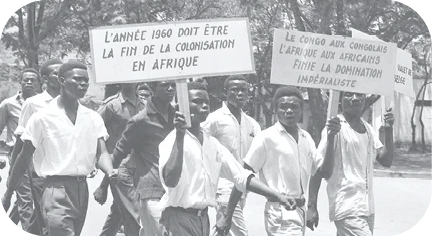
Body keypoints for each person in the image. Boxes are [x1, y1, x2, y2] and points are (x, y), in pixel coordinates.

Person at [158, 82, 298, 236]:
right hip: (177, 220)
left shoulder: (211, 143)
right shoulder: (172, 141)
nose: (204, 106)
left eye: (206, 102)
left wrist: (277, 195)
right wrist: (179, 136)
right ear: (182, 107)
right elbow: (170, 180)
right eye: (197, 102)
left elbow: (240, 175)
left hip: (202, 219)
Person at [5, 61, 118, 236]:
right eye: (78, 79)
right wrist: (9, 191)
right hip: (55, 190)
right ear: (62, 80)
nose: (83, 84)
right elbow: (23, 157)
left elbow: (101, 152)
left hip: (81, 191)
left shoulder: (93, 118)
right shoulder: (42, 118)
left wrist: (110, 171)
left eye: (86, 81)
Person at [215, 86, 341, 236]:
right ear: (275, 110)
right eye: (283, 107)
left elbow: (325, 172)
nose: (289, 111)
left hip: (300, 210)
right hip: (280, 211)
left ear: (301, 110)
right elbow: (243, 176)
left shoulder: (306, 137)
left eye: (294, 107)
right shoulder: (266, 138)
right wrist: (227, 215)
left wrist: (331, 137)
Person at [307, 92, 394, 236]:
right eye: (348, 95)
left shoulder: (367, 128)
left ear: (364, 99)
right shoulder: (335, 127)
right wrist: (311, 206)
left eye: (359, 94)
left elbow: (386, 160)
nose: (354, 98)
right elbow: (317, 168)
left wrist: (389, 129)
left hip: (367, 207)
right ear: (340, 100)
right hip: (347, 205)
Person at [5, 59, 63, 235]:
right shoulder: (31, 104)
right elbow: (20, 142)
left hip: (61, 169)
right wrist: (13, 172)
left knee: (39, 216)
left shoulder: (72, 103)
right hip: (34, 168)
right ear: (45, 79)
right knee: (34, 209)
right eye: (57, 73)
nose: (62, 76)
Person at [112, 80, 176, 236]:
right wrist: (104, 183)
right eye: (164, 85)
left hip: (175, 191)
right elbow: (120, 151)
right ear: (153, 88)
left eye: (173, 85)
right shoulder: (140, 121)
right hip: (152, 191)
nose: (170, 89)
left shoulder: (178, 118)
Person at [202, 75, 261, 236]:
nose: (240, 94)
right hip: (223, 188)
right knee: (240, 233)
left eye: (244, 90)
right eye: (235, 90)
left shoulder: (253, 124)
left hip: (242, 190)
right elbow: (198, 145)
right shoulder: (214, 119)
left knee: (224, 231)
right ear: (225, 92)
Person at [93, 82, 145, 236]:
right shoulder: (111, 105)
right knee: (133, 215)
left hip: (139, 165)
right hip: (118, 167)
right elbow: (92, 128)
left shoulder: (145, 105)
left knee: (119, 211)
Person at [0, 68, 39, 231]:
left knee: (32, 198)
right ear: (20, 82)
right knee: (26, 197)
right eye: (26, 80)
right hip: (17, 156)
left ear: (39, 83)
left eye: (32, 80)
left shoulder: (44, 104)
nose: (29, 82)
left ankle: (7, 228)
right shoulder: (8, 104)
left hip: (40, 157)